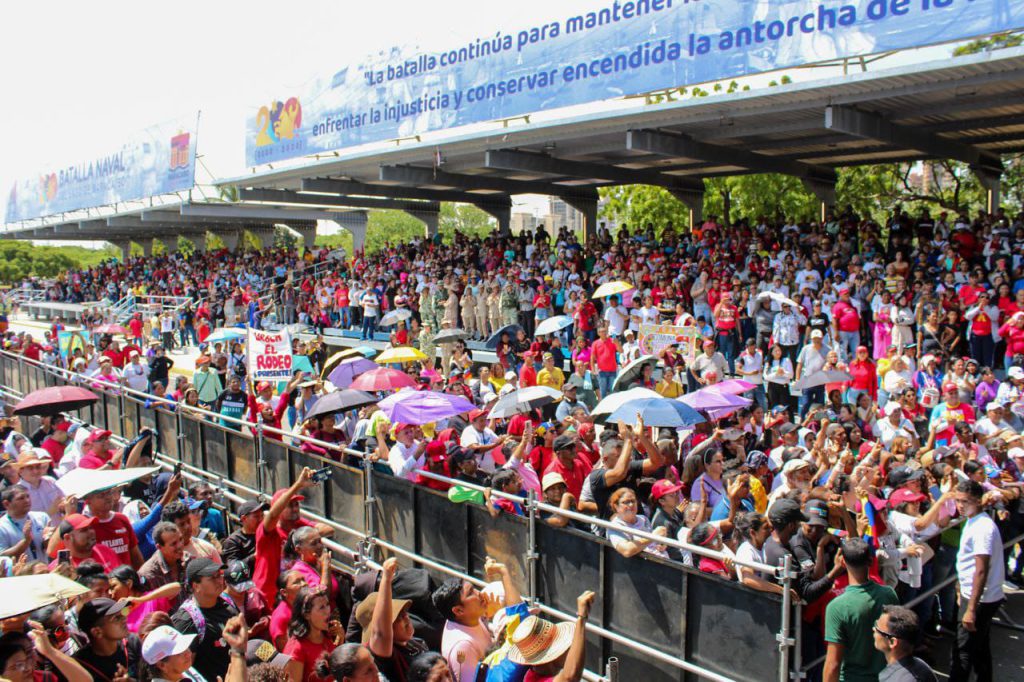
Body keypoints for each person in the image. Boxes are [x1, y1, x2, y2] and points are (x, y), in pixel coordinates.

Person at [949, 479, 1004, 682]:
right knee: (979, 647)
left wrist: (971, 608)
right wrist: (959, 587)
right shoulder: (973, 521)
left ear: (979, 501)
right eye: (958, 501)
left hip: (980, 599)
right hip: (975, 595)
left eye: (966, 501)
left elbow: (981, 569)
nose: (961, 506)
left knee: (962, 651)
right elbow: (967, 564)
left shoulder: (983, 528)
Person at [432, 557, 521, 682]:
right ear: (458, 610)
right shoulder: (462, 648)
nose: (478, 593)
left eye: (473, 588)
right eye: (470, 593)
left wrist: (492, 615)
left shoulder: (466, 617)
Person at [823, 538, 899, 682]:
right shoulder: (889, 594)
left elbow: (833, 664)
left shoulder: (836, 607)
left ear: (843, 563)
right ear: (870, 561)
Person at [359, 558, 428, 682]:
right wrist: (386, 579)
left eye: (404, 612)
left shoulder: (416, 643)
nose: (406, 617)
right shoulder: (386, 657)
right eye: (398, 616)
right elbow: (381, 634)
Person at [171, 558, 240, 682]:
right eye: (212, 578)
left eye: (219, 575)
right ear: (196, 586)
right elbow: (184, 668)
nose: (219, 581)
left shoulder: (227, 601)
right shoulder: (187, 620)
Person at [73, 598, 143, 682]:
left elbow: (153, 677)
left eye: (123, 612)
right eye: (117, 618)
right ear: (97, 632)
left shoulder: (133, 642)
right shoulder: (80, 665)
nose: (124, 619)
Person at [283, 587, 341, 682]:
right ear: (306, 615)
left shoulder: (328, 635)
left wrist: (340, 639)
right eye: (322, 607)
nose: (328, 611)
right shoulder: (296, 648)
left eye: (327, 605)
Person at [873, 605, 937, 682]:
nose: (874, 629)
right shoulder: (923, 667)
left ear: (892, 642)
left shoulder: (895, 679)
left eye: (878, 629)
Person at [222, 498, 268, 572]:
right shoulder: (233, 541)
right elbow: (232, 569)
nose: (260, 519)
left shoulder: (266, 534)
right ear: (244, 518)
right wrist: (255, 556)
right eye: (256, 516)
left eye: (262, 515)